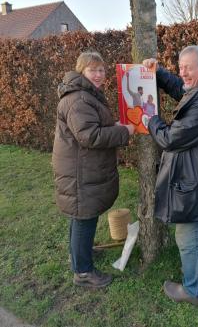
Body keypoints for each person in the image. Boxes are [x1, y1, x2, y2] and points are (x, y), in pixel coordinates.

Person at [143, 45, 198, 305]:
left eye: (188, 68)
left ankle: (193, 291)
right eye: (180, 67)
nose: (183, 73)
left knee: (190, 232)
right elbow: (180, 88)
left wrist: (150, 120)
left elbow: (171, 138)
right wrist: (158, 73)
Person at [52, 50, 134, 288]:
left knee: (82, 216)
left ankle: (80, 255)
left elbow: (93, 126)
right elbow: (89, 135)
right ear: (81, 71)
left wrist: (114, 124)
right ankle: (83, 272)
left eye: (101, 70)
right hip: (80, 171)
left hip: (82, 166)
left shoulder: (86, 94)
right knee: (83, 216)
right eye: (92, 70)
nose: (98, 75)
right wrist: (123, 131)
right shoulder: (78, 99)